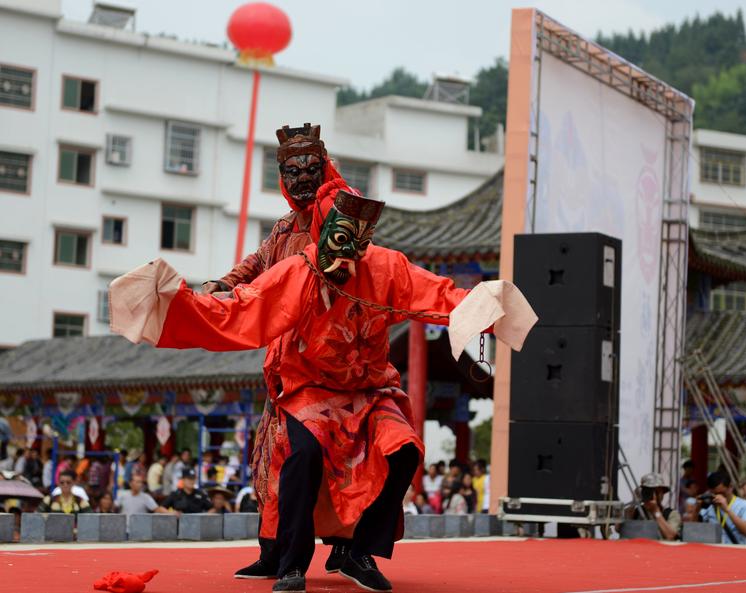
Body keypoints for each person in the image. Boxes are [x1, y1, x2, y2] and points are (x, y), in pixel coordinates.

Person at [109, 185, 534, 593]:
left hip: (368, 389)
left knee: (404, 449)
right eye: (338, 237)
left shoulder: (386, 268)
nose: (345, 252)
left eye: (356, 242)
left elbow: (438, 294)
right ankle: (291, 562)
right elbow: (242, 311)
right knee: (304, 456)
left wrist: (486, 306)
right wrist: (179, 300)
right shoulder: (299, 270)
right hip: (307, 386)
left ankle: (359, 552)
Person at [198, 124, 345, 581]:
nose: (302, 178)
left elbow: (354, 272)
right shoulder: (282, 229)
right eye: (291, 171)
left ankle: (348, 549)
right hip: (283, 367)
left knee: (340, 463)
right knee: (270, 464)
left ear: (325, 169)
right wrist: (222, 285)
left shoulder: (340, 220)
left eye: (310, 169)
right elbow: (254, 265)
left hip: (330, 364)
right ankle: (272, 551)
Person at [690, 471, 746, 545]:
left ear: (730, 487)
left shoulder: (745, 505)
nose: (717, 496)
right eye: (714, 494)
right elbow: (692, 531)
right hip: (713, 552)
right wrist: (696, 510)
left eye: (721, 493)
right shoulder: (710, 506)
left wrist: (727, 509)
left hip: (736, 552)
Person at [626, 473, 681, 541]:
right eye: (648, 491)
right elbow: (619, 529)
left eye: (657, 492)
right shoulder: (635, 512)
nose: (652, 495)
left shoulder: (672, 514)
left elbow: (670, 535)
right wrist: (634, 502)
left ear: (663, 493)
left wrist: (656, 512)